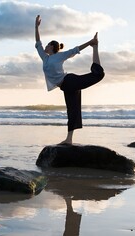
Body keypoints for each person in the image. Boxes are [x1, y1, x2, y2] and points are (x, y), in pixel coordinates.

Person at [35, 15, 105, 145]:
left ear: (51, 46)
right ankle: (69, 139)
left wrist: (90, 42)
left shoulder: (59, 55)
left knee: (98, 75)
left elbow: (75, 49)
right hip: (65, 87)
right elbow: (38, 43)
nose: (45, 46)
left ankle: (95, 48)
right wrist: (36, 27)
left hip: (69, 81)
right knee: (72, 111)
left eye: (48, 44)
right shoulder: (45, 58)